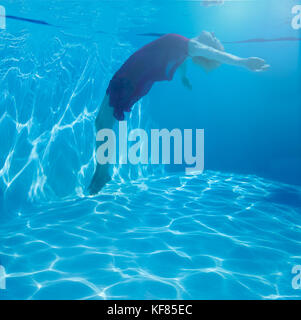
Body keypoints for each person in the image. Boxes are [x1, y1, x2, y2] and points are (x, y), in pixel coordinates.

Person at [88, 31, 270, 194]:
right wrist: (183, 77)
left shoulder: (189, 44)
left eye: (214, 39)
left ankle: (102, 174)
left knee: (103, 123)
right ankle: (102, 173)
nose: (214, 34)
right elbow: (184, 60)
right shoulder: (185, 48)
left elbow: (216, 54)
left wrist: (243, 62)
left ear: (206, 46)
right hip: (131, 75)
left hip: (130, 76)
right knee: (104, 123)